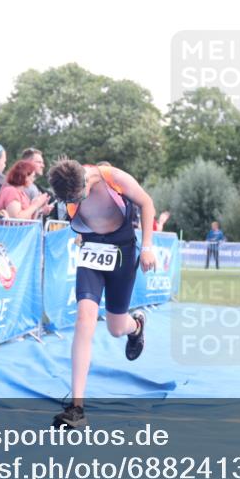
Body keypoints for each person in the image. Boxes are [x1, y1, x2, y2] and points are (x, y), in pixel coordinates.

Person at [48, 158, 157, 428]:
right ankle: (77, 408)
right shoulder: (69, 192)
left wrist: (146, 247)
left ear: (84, 181)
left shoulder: (112, 177)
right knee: (84, 319)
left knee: (116, 328)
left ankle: (136, 325)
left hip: (123, 251)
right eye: (70, 200)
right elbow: (79, 219)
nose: (75, 201)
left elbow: (147, 203)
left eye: (77, 196)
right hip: (92, 253)